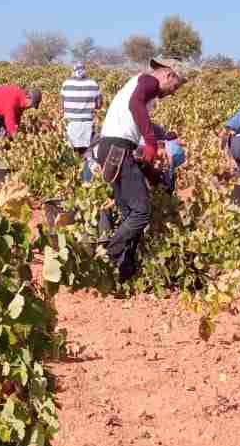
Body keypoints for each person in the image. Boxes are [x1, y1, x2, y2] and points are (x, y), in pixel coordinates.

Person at [92, 55, 187, 280]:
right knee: (141, 213)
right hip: (118, 149)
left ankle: (124, 271)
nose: (173, 92)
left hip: (111, 148)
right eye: (175, 86)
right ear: (168, 74)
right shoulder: (148, 82)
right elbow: (136, 105)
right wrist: (152, 143)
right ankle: (108, 256)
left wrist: (152, 171)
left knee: (128, 212)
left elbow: (138, 119)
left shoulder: (139, 87)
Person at [0, 82, 42, 167]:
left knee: (3, 138)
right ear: (28, 98)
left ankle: (0, 162)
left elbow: (16, 119)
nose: (31, 107)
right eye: (32, 104)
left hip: (0, 113)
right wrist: (18, 141)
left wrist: (14, 138)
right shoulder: (12, 101)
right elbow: (10, 123)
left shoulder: (23, 102)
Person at [60, 62, 102, 159]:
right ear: (85, 71)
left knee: (72, 154)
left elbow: (61, 105)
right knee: (87, 153)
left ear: (73, 72)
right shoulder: (93, 83)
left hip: (70, 124)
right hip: (87, 125)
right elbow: (99, 105)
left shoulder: (66, 84)